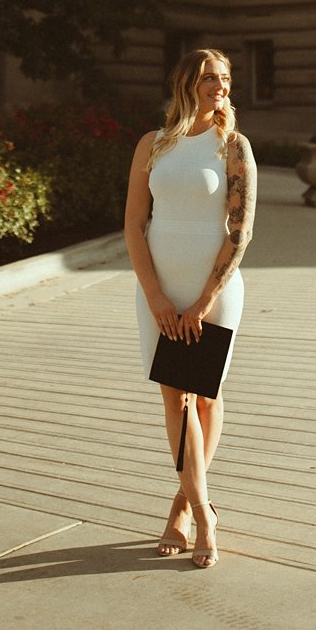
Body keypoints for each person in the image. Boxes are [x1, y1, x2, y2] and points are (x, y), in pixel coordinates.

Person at [125, 48, 258, 569]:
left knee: (204, 396)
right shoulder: (151, 145)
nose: (219, 86)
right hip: (158, 287)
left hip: (214, 291)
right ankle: (204, 512)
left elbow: (240, 231)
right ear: (186, 83)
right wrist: (156, 294)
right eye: (209, 77)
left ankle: (182, 504)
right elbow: (135, 224)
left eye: (225, 78)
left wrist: (204, 300)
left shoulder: (233, 146)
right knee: (174, 399)